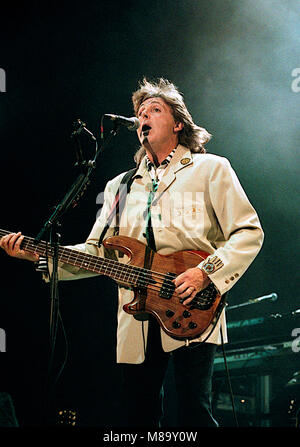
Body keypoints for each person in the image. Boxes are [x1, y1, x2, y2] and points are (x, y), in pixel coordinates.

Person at [0, 78, 264, 427]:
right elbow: (97, 251)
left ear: (178, 123)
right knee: (137, 416)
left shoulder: (211, 169)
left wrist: (206, 273)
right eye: (140, 113)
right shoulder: (120, 185)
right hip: (135, 315)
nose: (143, 117)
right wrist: (40, 254)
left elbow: (248, 231)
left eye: (154, 110)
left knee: (194, 413)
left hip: (193, 302)